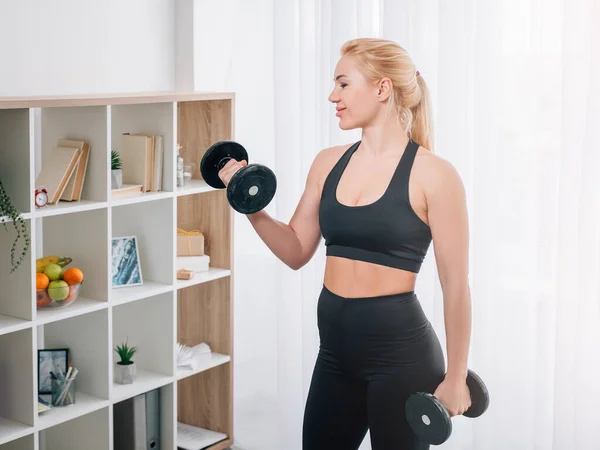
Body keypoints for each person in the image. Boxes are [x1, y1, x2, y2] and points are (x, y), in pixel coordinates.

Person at [218, 37, 472, 450]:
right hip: (335, 355)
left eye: (343, 84)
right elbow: (297, 250)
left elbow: (456, 285)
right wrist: (251, 205)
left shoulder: (434, 175)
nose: (332, 96)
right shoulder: (327, 162)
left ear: (382, 88)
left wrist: (457, 375)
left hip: (401, 359)